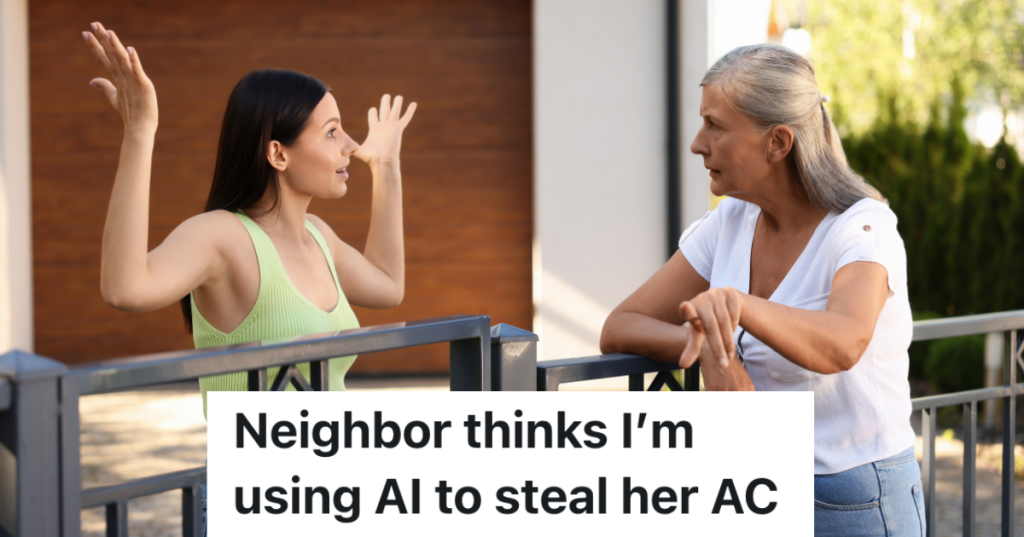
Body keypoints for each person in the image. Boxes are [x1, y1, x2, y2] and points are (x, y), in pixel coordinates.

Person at [600, 44, 924, 535]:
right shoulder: (730, 220)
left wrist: (737, 306)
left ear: (777, 143)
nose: (697, 143)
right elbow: (620, 326)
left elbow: (844, 342)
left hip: (854, 499)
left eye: (715, 126)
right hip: (756, 484)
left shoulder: (861, 229)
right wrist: (710, 346)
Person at [82, 22, 415, 408]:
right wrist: (140, 132)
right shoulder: (221, 236)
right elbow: (124, 289)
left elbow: (388, 286)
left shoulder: (318, 235)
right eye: (331, 132)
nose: (352, 145)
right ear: (278, 154)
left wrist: (386, 166)